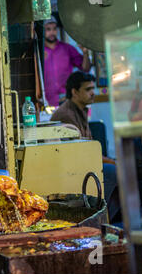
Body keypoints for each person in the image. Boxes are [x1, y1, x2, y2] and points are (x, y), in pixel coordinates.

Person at [51, 71, 119, 221]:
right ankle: (95, 218)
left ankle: (107, 220)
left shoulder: (80, 110)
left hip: (85, 163)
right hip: (73, 169)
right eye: (88, 89)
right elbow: (83, 154)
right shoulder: (66, 114)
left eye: (93, 88)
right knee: (114, 171)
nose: (93, 93)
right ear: (74, 92)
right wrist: (113, 161)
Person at [44, 16, 92, 107]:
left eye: (54, 29)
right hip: (46, 101)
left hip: (66, 98)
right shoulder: (39, 52)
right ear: (42, 31)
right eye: (48, 29)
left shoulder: (67, 48)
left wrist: (85, 53)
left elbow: (86, 68)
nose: (52, 32)